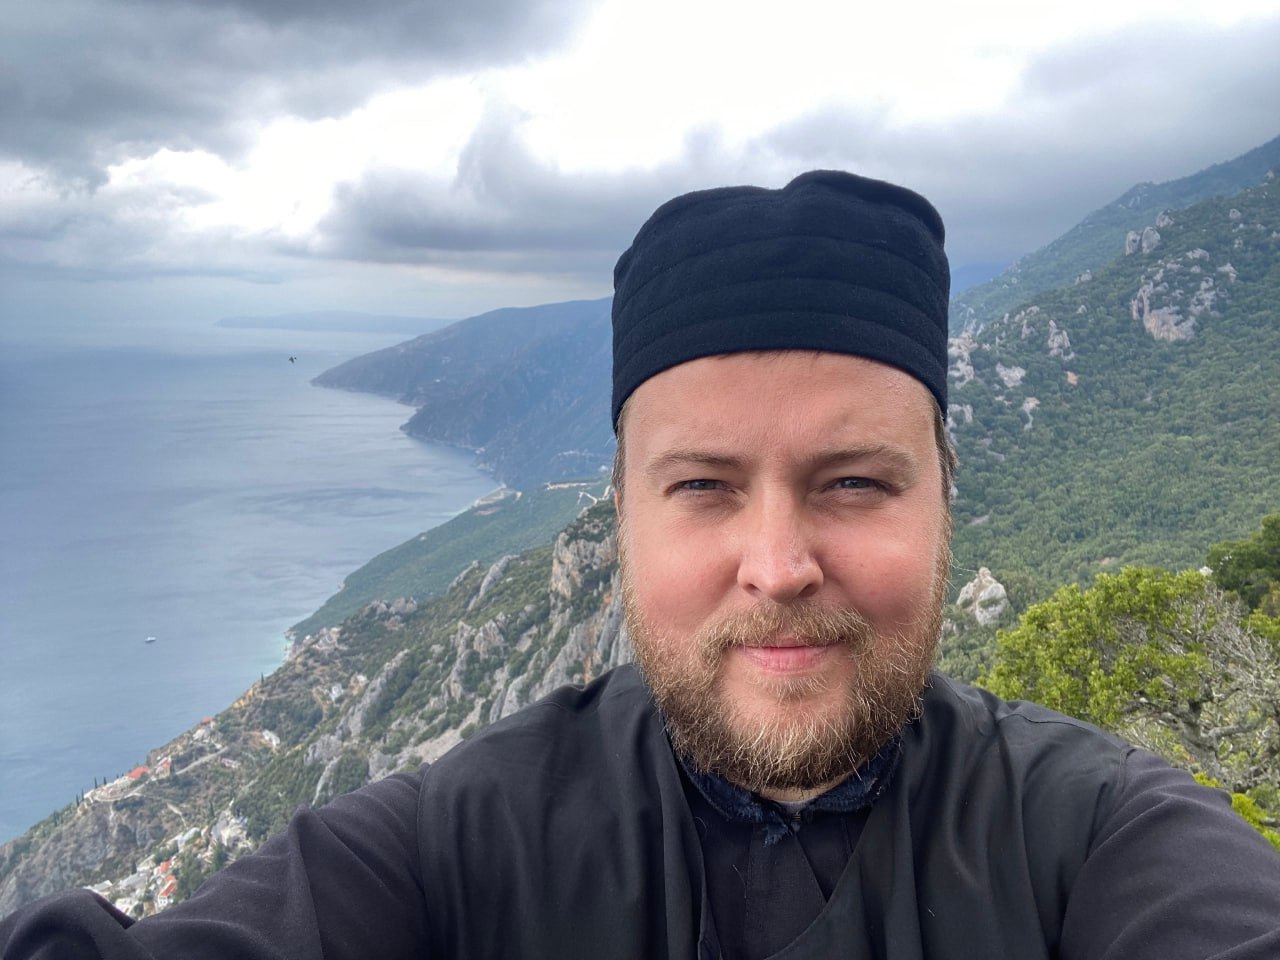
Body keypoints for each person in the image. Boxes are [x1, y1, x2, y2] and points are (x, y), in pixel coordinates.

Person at [3, 171, 1279, 959]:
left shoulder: (1095, 834)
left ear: (944, 497)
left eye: (852, 481)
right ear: (618, 516)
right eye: (702, 487)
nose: (777, 566)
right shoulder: (464, 839)